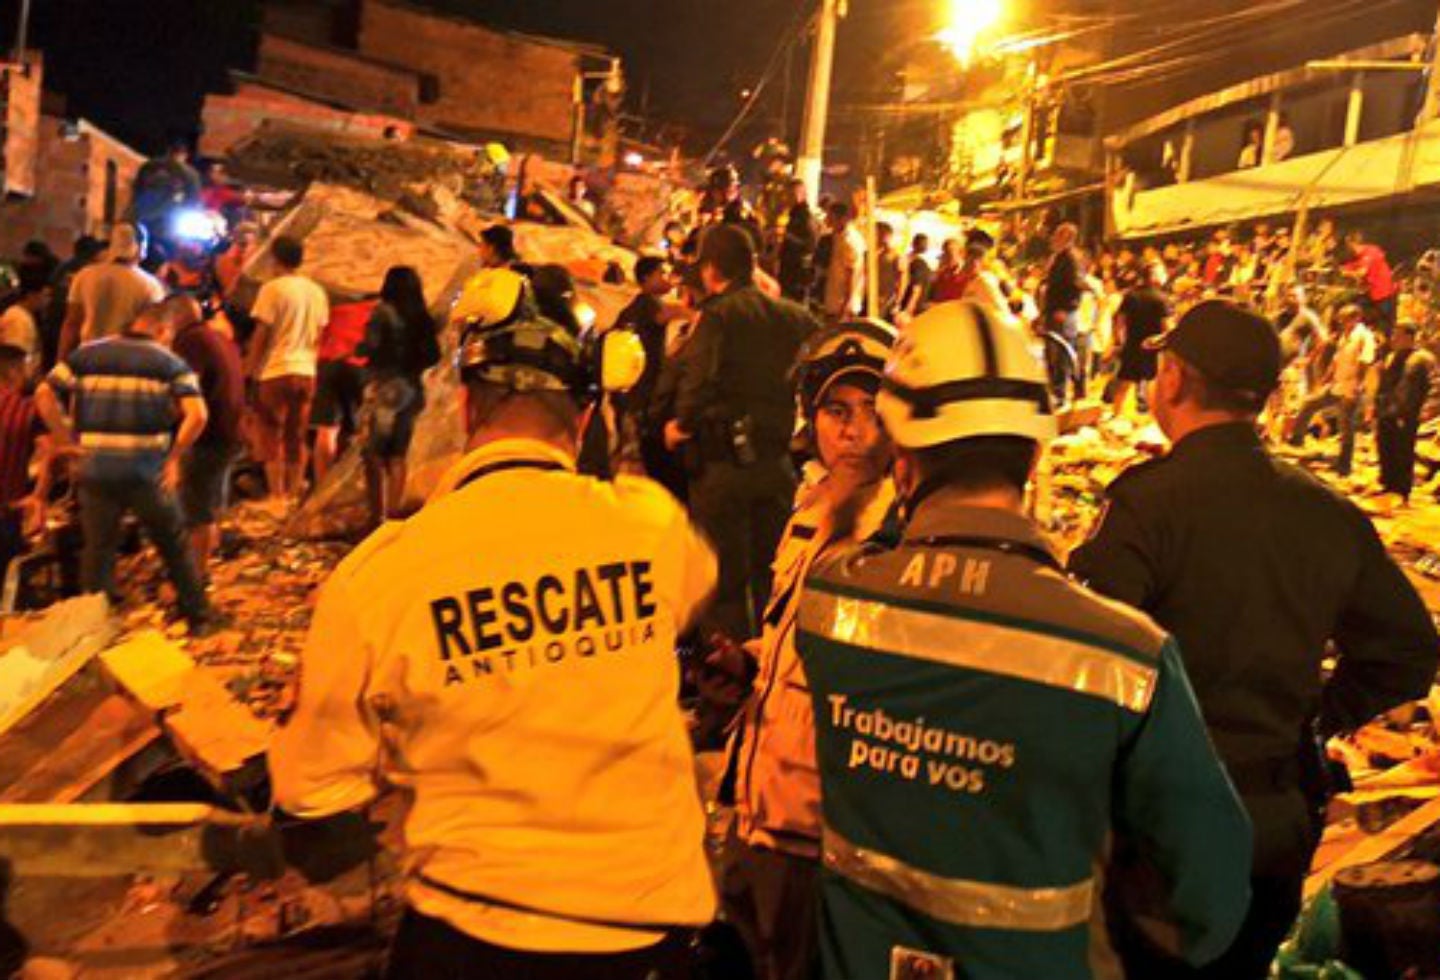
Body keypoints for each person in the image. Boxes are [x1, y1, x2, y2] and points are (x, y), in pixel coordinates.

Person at [269, 271, 718, 979]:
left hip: (471, 932)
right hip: (647, 931)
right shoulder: (650, 525)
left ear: (469, 404)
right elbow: (684, 595)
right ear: (586, 413)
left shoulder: (383, 574)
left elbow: (312, 787)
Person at [798, 300, 1252, 979]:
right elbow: (1208, 893)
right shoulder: (1122, 655)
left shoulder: (832, 603)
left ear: (902, 462)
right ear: (1035, 454)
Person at [1071, 300, 1440, 980]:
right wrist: (1324, 711)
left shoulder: (1147, 504)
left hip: (1160, 822)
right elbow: (1410, 648)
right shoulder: (1325, 509)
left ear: (1175, 380)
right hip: (1275, 816)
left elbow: (1081, 657)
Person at [717, 322, 897, 980]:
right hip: (757, 803)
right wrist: (746, 663)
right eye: (836, 411)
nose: (853, 431)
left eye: (873, 412)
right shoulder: (809, 508)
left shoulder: (900, 532)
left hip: (820, 831)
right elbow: (792, 640)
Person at [34, 304, 220, 634]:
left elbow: (45, 393)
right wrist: (174, 456)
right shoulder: (170, 363)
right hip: (147, 472)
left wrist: (66, 442)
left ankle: (91, 629)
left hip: (95, 470)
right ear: (162, 330)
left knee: (99, 548)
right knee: (173, 545)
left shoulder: (86, 354)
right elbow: (199, 415)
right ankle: (198, 617)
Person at [671, 224, 818, 639]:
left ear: (712, 269)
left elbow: (698, 385)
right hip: (776, 467)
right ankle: (768, 662)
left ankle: (728, 679)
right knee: (772, 577)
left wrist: (677, 425)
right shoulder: (797, 317)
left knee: (725, 585)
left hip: (722, 471)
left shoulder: (718, 316)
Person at [166, 295, 245, 577]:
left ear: (174, 319)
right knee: (210, 504)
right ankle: (207, 564)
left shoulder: (190, 341)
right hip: (231, 431)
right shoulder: (218, 337)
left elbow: (188, 390)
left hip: (208, 435)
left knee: (195, 513)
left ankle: (195, 579)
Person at [247, 236, 328, 501]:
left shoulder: (272, 289)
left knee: (271, 434)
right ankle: (294, 494)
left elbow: (262, 333)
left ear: (275, 259)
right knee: (297, 434)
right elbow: (319, 333)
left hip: (275, 370)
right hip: (306, 370)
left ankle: (277, 495)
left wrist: (250, 370)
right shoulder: (317, 291)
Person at [357, 266, 440, 524]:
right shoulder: (423, 317)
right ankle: (393, 514)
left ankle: (376, 515)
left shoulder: (382, 312)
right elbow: (434, 355)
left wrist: (361, 348)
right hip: (413, 388)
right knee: (398, 454)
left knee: (373, 453)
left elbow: (369, 346)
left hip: (387, 387)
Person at [1288, 304, 1375, 477]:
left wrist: (1356, 388)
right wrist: (1325, 379)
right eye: (1340, 319)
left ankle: (1344, 467)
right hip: (1336, 385)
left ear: (1356, 318)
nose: (1341, 323)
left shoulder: (1364, 337)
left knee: (1346, 427)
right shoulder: (1346, 335)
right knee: (1310, 403)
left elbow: (1365, 362)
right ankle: (1296, 440)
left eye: (1345, 319)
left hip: (1350, 388)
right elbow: (1337, 359)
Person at [60, 224, 166, 358]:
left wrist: (61, 360)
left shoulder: (85, 275)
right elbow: (151, 332)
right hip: (125, 359)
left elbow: (72, 324)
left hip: (87, 355)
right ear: (141, 247)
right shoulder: (151, 285)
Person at [0, 321, 53, 587]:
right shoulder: (25, 410)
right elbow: (48, 452)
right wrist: (38, 496)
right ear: (14, 370)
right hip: (7, 513)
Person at [310, 296, 376, 487]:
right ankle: (351, 483)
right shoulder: (384, 313)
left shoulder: (339, 310)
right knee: (360, 429)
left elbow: (318, 341)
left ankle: (322, 485)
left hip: (329, 365)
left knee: (326, 430)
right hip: (360, 368)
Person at [1375, 321, 1436, 504]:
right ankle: (1387, 485)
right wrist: (1376, 405)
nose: (1393, 339)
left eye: (1397, 335)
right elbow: (1384, 385)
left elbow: (1435, 384)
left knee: (1403, 452)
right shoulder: (1392, 357)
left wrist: (1427, 408)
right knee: (1385, 448)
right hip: (1387, 411)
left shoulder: (1423, 359)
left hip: (1407, 413)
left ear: (1409, 337)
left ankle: (1402, 491)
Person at [1111, 263, 1169, 415]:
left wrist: (1120, 341)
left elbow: (1120, 321)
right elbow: (1167, 327)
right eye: (1161, 272)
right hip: (1153, 347)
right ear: (1154, 277)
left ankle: (1116, 415)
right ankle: (1153, 418)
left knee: (1124, 382)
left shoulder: (1131, 295)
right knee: (1153, 385)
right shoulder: (1161, 298)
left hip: (1132, 345)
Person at [42, 236, 104, 373]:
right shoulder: (90, 272)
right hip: (73, 327)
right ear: (94, 252)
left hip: (53, 323)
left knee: (51, 368)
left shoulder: (62, 267)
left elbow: (48, 291)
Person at [1041, 222, 1088, 403]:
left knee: (1062, 353)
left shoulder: (1071, 258)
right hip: (1054, 310)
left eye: (1058, 235)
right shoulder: (1059, 257)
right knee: (1057, 352)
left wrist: (1065, 308)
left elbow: (1075, 285)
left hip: (1063, 312)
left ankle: (1061, 393)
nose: (1053, 238)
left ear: (1067, 238)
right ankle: (1065, 390)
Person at [1341, 229, 1398, 329]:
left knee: (1384, 325)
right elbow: (1352, 265)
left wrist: (1346, 273)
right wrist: (1341, 269)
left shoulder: (1371, 251)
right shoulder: (1359, 256)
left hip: (1384, 295)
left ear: (1353, 243)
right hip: (1373, 295)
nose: (1347, 248)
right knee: (1362, 314)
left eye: (1348, 245)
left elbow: (1362, 272)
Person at [821, 203, 865, 321]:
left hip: (842, 307)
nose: (826, 220)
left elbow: (852, 275)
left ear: (841, 219)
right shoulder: (837, 236)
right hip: (834, 301)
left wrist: (845, 307)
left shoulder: (849, 241)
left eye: (830, 217)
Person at [777, 179, 817, 303]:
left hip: (797, 274)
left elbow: (809, 245)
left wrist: (786, 235)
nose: (788, 198)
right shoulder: (793, 215)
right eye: (787, 194)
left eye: (792, 194)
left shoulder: (805, 217)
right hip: (788, 272)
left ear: (802, 194)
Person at [0, 280, 48, 382]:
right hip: (17, 384)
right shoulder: (19, 319)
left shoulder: (21, 315)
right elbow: (14, 358)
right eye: (44, 295)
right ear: (32, 295)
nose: (46, 301)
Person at [874, 222, 904, 320]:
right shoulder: (875, 254)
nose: (875, 237)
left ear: (886, 235)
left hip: (887, 299)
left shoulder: (896, 255)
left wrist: (897, 301)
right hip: (874, 298)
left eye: (877, 234)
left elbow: (902, 279)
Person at [900, 233, 933, 319]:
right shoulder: (920, 263)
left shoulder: (911, 260)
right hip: (912, 307)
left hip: (908, 307)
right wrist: (909, 309)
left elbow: (916, 288)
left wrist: (908, 309)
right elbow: (916, 288)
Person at [928, 238, 968, 304]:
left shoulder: (966, 274)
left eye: (949, 253)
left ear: (960, 253)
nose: (946, 256)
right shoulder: (942, 273)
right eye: (945, 252)